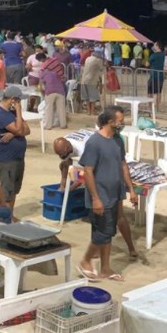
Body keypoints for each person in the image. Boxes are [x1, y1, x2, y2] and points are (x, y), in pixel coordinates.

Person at [78, 106, 136, 282]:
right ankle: (86, 261)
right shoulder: (94, 143)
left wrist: (131, 189)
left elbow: (123, 165)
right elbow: (88, 171)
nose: (122, 124)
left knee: (108, 232)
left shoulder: (118, 140)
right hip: (100, 196)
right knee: (102, 233)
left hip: (114, 194)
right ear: (110, 122)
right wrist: (96, 198)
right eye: (120, 121)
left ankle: (105, 268)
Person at [0, 86, 30, 211]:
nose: (20, 104)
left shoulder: (11, 113)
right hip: (7, 159)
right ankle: (4, 217)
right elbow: (20, 129)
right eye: (19, 101)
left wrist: (13, 133)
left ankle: (9, 216)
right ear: (13, 100)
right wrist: (19, 112)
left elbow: (27, 130)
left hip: (18, 157)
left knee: (13, 190)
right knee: (7, 192)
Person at [40, 51, 68, 129]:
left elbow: (41, 84)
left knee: (49, 108)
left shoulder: (43, 72)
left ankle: (48, 125)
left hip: (50, 91)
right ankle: (63, 124)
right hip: (60, 90)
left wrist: (42, 91)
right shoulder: (56, 63)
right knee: (61, 108)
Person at [80, 49, 104, 115]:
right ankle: (92, 111)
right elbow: (102, 68)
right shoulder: (98, 60)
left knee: (86, 97)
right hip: (92, 81)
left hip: (84, 80)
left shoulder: (87, 59)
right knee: (92, 97)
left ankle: (88, 111)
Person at [147, 42, 165, 109]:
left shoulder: (153, 55)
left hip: (153, 75)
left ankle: (150, 106)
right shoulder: (163, 54)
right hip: (160, 75)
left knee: (150, 92)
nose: (153, 46)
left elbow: (147, 64)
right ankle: (158, 107)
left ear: (157, 46)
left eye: (154, 45)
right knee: (158, 92)